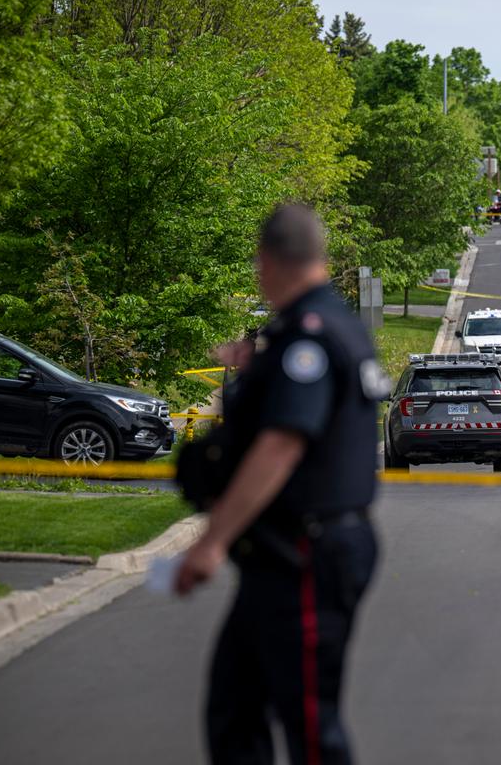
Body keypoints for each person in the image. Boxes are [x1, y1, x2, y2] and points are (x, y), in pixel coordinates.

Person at [176, 203, 386, 765]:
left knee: (311, 727)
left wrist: (212, 540)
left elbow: (282, 445)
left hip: (307, 553)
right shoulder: (315, 328)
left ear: (268, 262)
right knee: (235, 709)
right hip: (283, 554)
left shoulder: (308, 338)